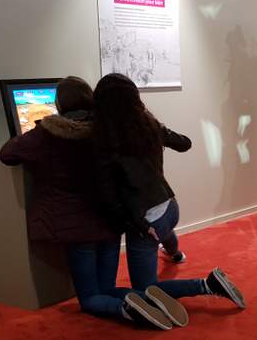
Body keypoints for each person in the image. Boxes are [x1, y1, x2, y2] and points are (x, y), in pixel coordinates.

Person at [0, 76, 181, 330]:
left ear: (59, 103)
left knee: (90, 299)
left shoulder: (47, 134)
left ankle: (128, 308)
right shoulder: (109, 129)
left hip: (77, 227)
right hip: (110, 221)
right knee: (108, 287)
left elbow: (7, 154)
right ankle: (147, 299)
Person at [91, 73, 246, 326]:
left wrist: (139, 227)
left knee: (147, 289)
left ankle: (207, 285)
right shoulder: (147, 125)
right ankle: (175, 254)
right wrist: (157, 129)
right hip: (169, 206)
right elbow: (184, 143)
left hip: (147, 219)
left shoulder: (105, 141)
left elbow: (109, 197)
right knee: (163, 233)